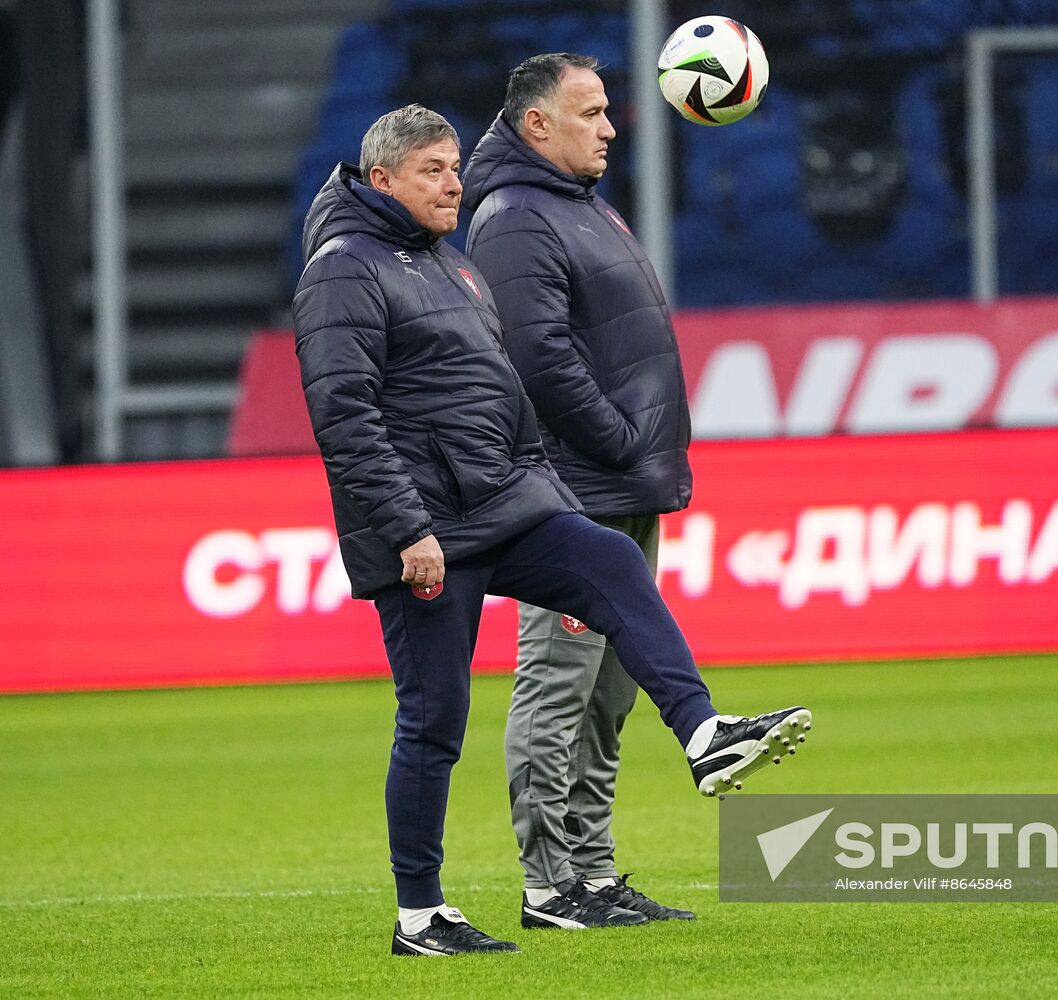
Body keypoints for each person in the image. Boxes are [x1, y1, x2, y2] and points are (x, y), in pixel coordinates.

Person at [292, 104, 813, 957]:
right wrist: (405, 529)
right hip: (425, 529)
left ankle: (704, 735)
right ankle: (420, 915)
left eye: (455, 164)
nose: (453, 181)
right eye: (431, 168)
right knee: (433, 719)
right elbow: (343, 417)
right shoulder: (343, 270)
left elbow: (500, 391)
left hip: (499, 504)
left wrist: (540, 485)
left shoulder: (445, 264)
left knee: (607, 557)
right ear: (380, 179)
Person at [461, 53, 696, 930]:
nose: (608, 127)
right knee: (557, 686)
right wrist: (617, 439)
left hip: (621, 482)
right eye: (591, 112)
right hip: (575, 491)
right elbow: (538, 357)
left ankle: (593, 875)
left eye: (605, 112)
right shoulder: (516, 216)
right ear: (536, 125)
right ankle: (549, 886)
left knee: (608, 696)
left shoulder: (572, 204)